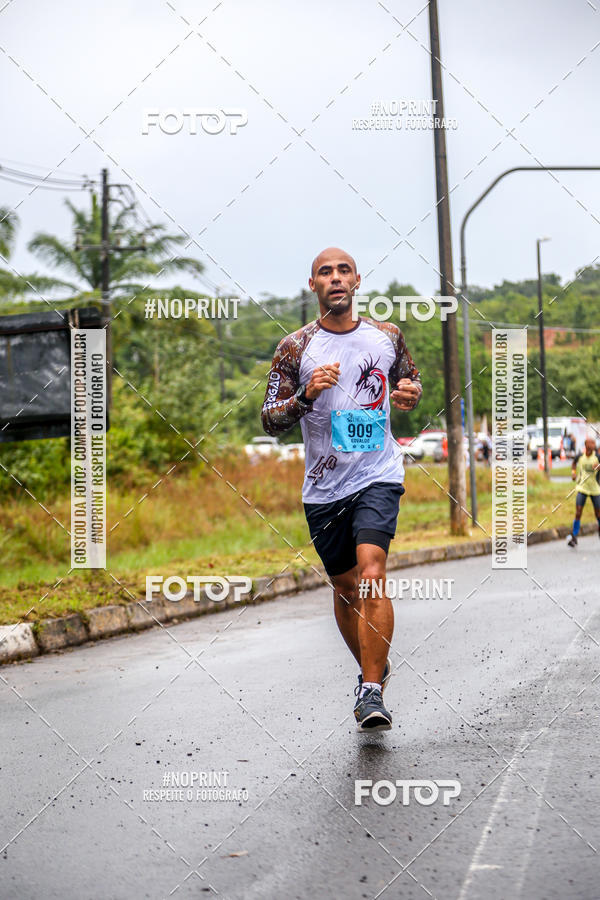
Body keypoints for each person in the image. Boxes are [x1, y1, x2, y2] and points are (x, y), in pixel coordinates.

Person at [261, 247, 422, 731]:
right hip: (324, 486)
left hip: (378, 473)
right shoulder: (295, 348)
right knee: (346, 586)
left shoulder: (386, 336)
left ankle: (370, 691)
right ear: (312, 285)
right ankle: (373, 667)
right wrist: (306, 394)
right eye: (325, 272)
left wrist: (410, 392)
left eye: (344, 270)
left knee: (372, 568)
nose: (335, 278)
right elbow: (270, 421)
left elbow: (408, 381)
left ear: (357, 281)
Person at [567, 435, 600, 547]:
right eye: (591, 443)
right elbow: (573, 463)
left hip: (595, 489)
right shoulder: (580, 456)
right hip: (582, 488)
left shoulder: (597, 457)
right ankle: (574, 536)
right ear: (586, 445)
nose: (593, 445)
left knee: (598, 514)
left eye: (594, 443)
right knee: (578, 512)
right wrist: (573, 473)